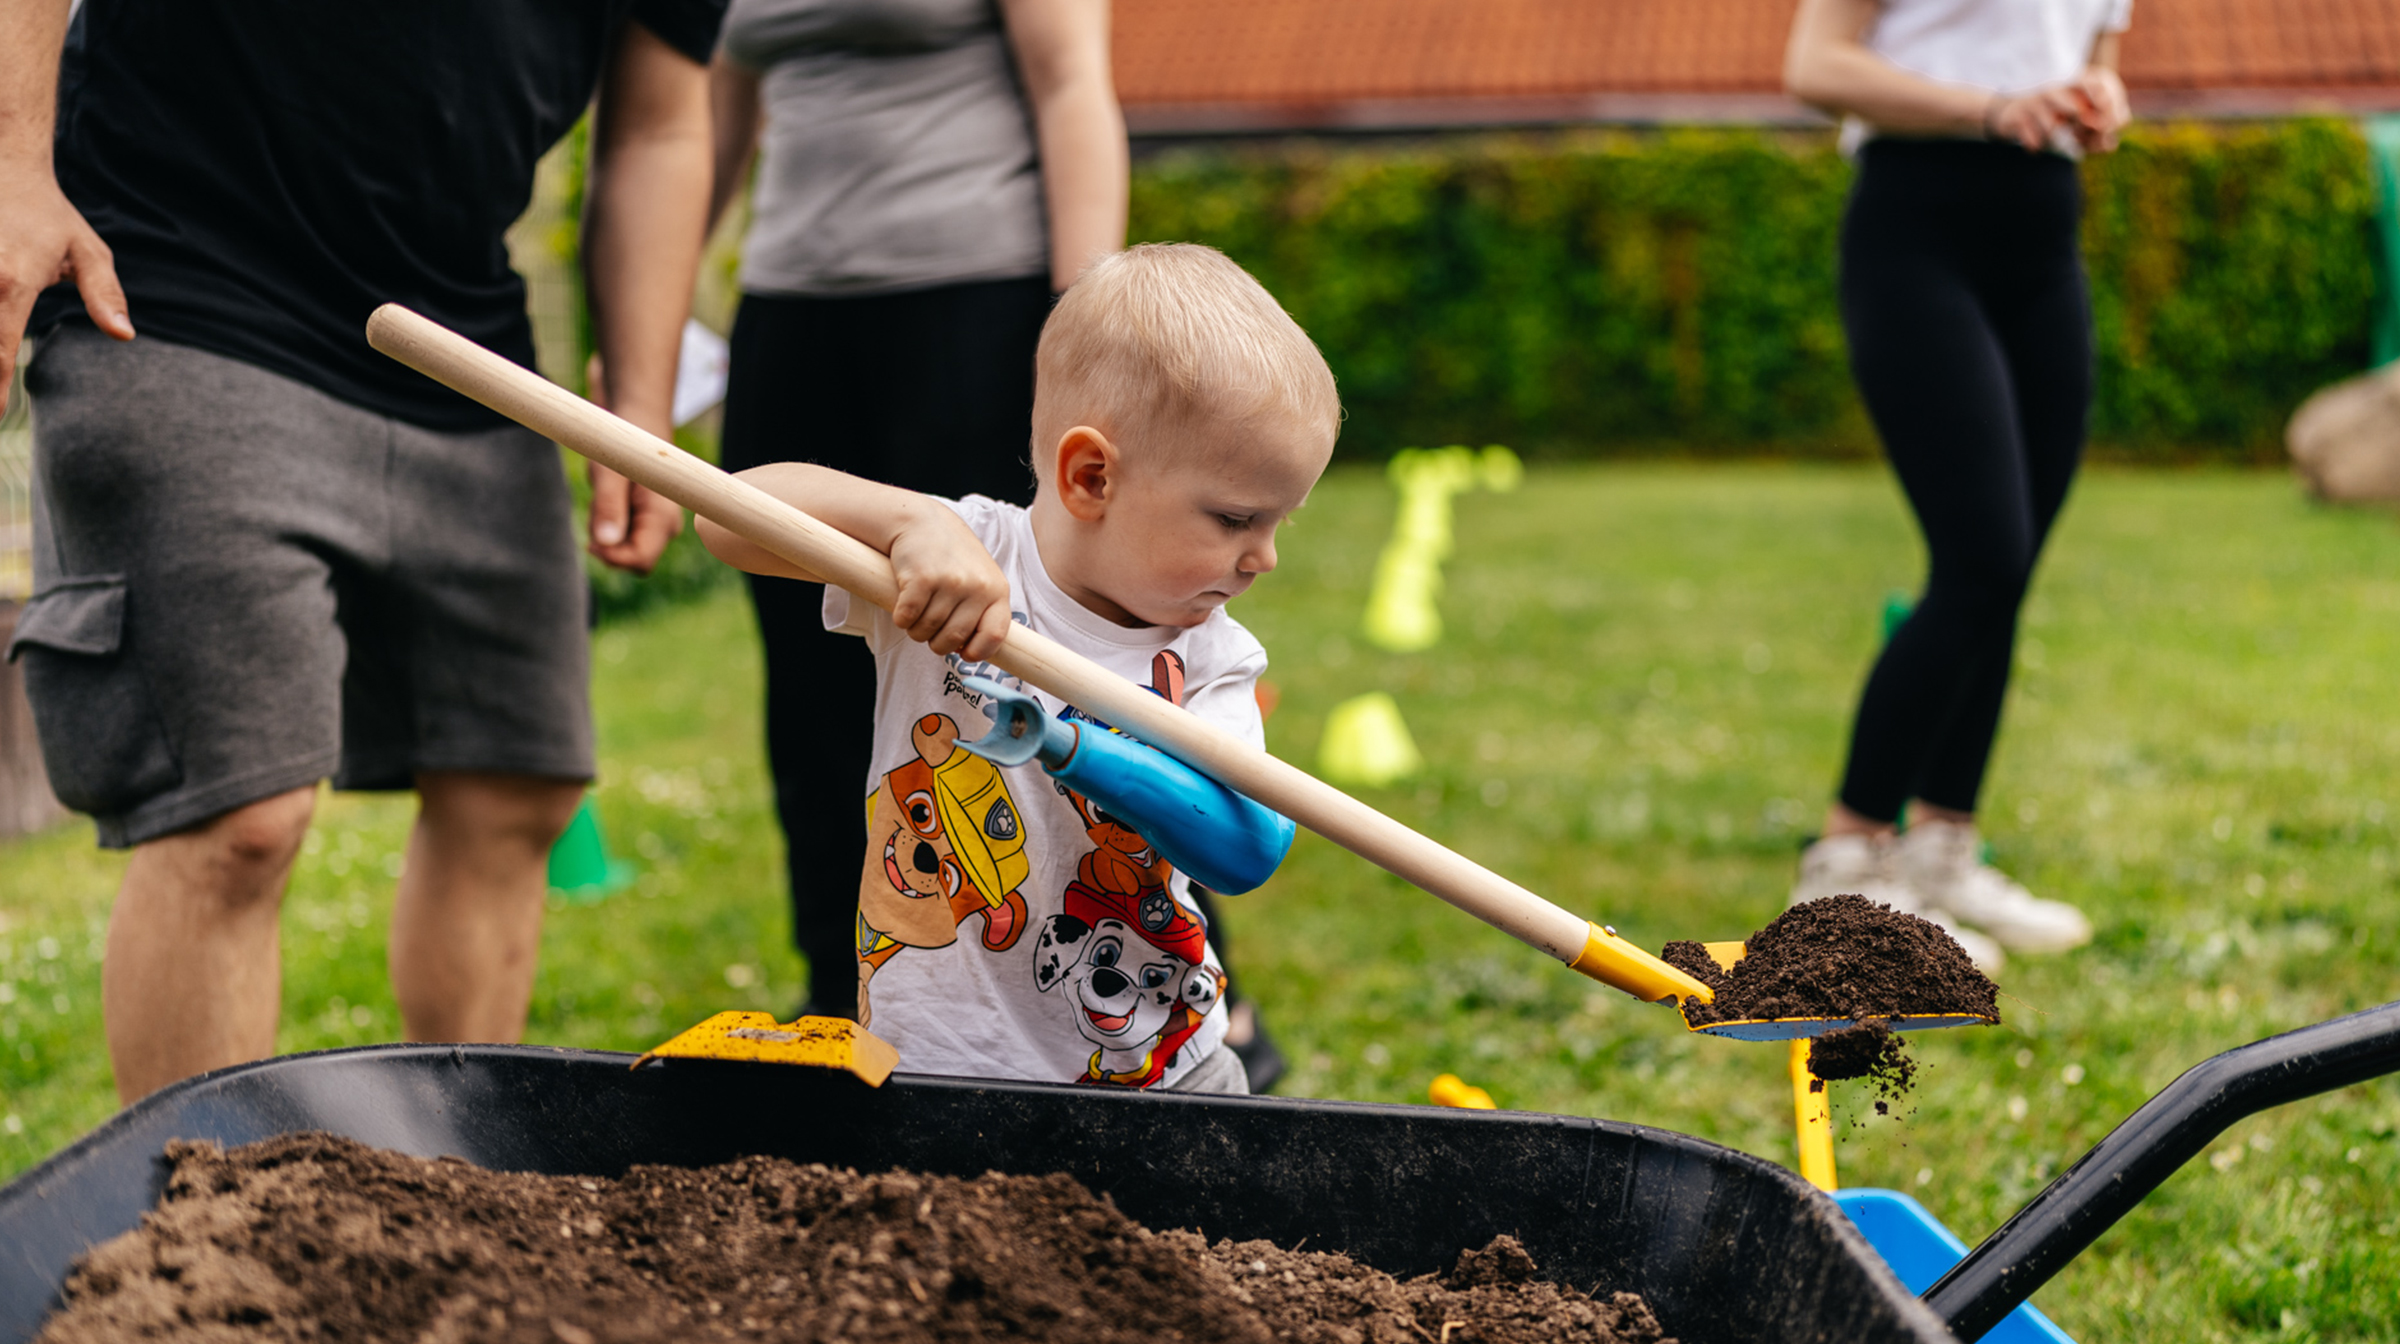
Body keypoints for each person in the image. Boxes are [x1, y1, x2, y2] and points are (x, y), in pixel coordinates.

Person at [0, 0, 722, 1102]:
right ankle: (201, 1236)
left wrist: (640, 398)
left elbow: (659, 124)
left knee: (516, 787)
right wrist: (13, 165)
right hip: (183, 281)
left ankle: (456, 1183)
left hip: (467, 344)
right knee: (238, 815)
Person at [698, 244, 1337, 1090]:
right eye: (1234, 518)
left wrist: (1071, 747)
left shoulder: (1209, 654)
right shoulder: (960, 556)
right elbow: (724, 517)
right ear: (1091, 475)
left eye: (1277, 523)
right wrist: (904, 525)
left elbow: (1245, 850)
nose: (1262, 557)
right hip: (939, 1063)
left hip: (1160, 1071)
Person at [702, 0, 1127, 1028]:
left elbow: (1072, 82)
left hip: (978, 307)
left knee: (1016, 652)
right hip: (789, 315)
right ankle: (845, 1003)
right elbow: (703, 114)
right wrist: (649, 322)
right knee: (811, 684)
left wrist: (1089, 347)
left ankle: (1143, 972)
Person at [1781, 0, 2125, 968]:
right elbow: (1814, 65)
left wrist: (2097, 100)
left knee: (2007, 570)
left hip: (2045, 237)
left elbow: (2080, 59)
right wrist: (1989, 106)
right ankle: (1845, 862)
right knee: (1982, 556)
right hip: (1918, 225)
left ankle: (1940, 851)